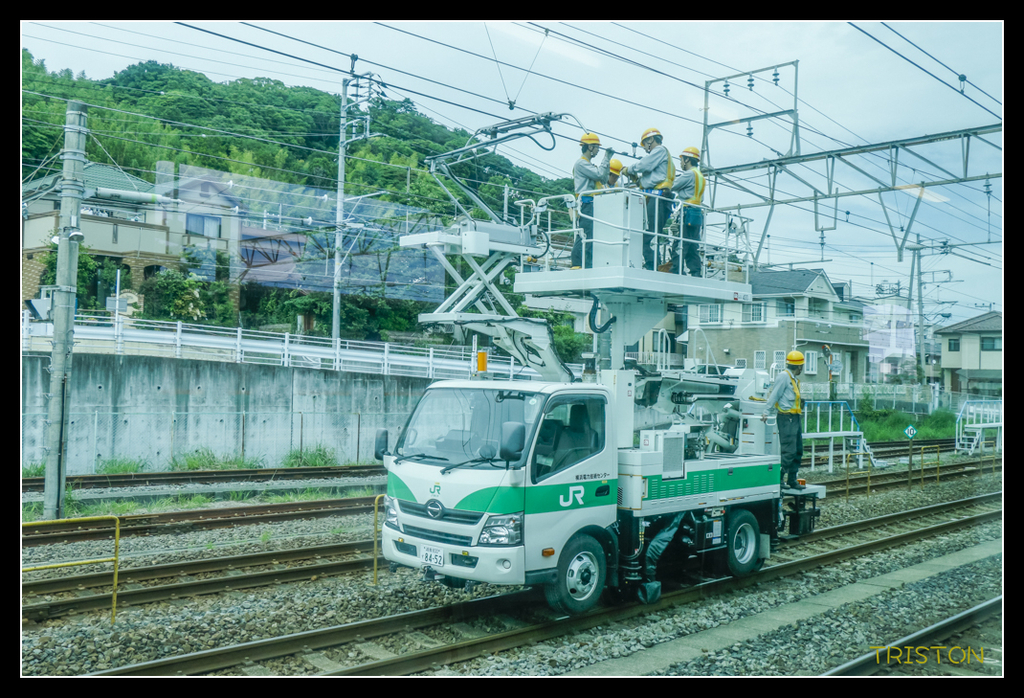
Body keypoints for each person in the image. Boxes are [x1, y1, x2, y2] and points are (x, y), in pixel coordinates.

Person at [620, 128, 674, 270]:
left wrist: (629, 169)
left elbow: (644, 164)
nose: (644, 148)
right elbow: (650, 179)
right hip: (654, 197)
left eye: (644, 143)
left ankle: (652, 266)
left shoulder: (660, 150)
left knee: (646, 237)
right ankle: (652, 265)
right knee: (647, 236)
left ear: (651, 140)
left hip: (657, 198)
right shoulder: (660, 156)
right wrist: (638, 181)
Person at [761, 351, 806, 490]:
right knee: (789, 450)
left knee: (798, 450)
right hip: (786, 418)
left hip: (795, 418)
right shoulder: (784, 377)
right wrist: (766, 412)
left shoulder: (793, 379)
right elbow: (775, 395)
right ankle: (780, 479)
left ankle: (792, 479)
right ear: (799, 366)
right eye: (802, 366)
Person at [571, 133, 613, 269]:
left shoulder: (588, 164)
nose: (598, 150)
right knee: (585, 233)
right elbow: (600, 175)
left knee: (590, 234)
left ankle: (586, 263)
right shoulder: (581, 163)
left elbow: (603, 179)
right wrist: (607, 158)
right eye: (596, 147)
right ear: (589, 147)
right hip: (586, 202)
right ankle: (578, 263)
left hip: (592, 203)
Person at [668, 146, 706, 276]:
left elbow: (672, 186)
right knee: (692, 245)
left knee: (680, 243)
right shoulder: (700, 176)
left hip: (687, 212)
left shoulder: (689, 174)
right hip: (697, 214)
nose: (681, 163)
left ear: (687, 160)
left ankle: (677, 270)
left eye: (682, 160)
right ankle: (696, 272)